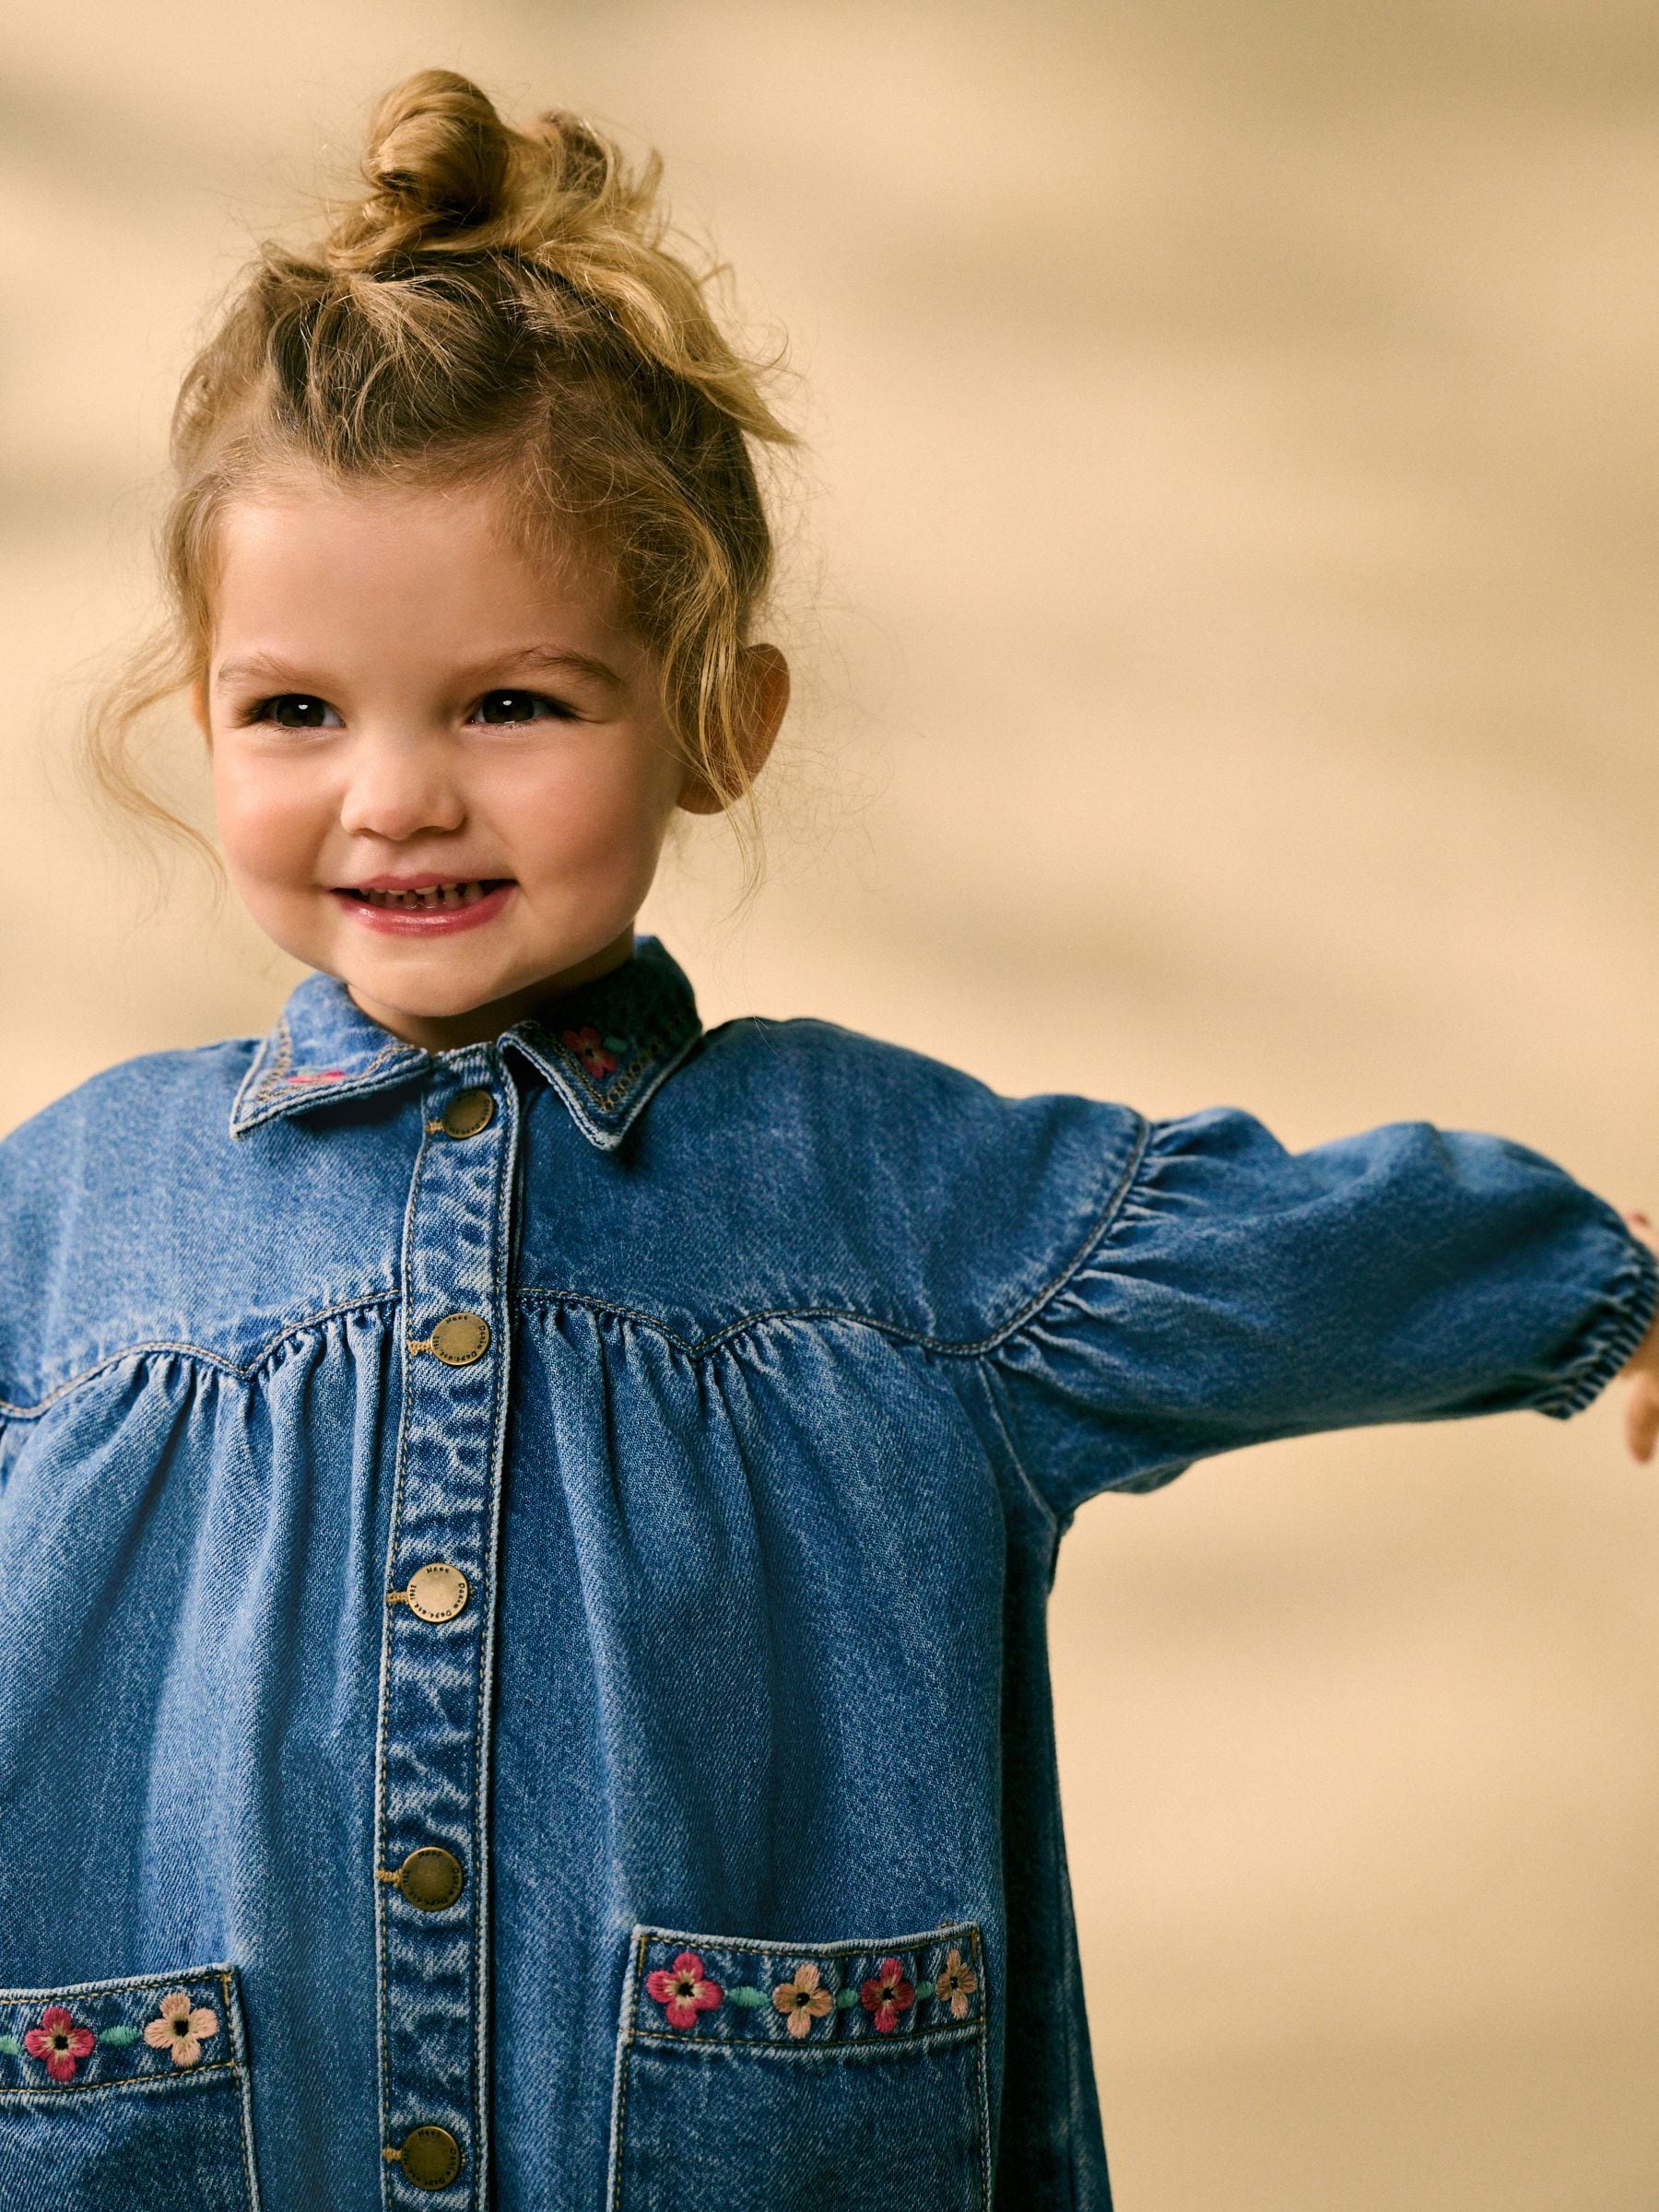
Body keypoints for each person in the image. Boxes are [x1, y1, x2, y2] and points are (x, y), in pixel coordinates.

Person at [0, 67, 1652, 2212]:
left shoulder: (897, 1197)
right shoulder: (63, 1226)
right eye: (297, 710)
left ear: (715, 722)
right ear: (199, 709)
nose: (394, 794)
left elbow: (1284, 1250)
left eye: (514, 703)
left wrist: (1596, 1285)